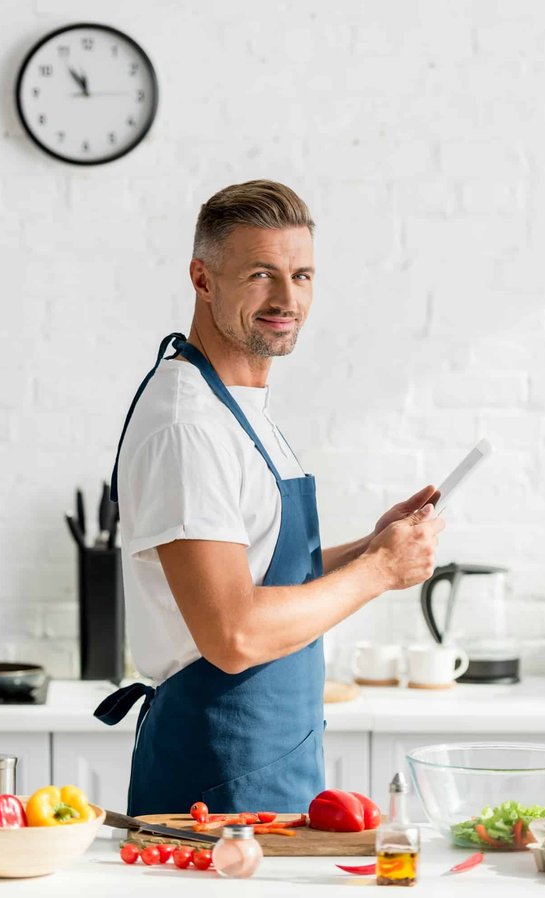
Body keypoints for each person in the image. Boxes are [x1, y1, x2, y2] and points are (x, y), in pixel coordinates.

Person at [94, 180, 444, 815]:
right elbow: (232, 633)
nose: (288, 299)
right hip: (214, 783)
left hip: (274, 763)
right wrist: (377, 572)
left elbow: (261, 573)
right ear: (203, 279)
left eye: (302, 275)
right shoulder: (187, 424)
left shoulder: (240, 411)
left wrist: (375, 545)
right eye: (262, 275)